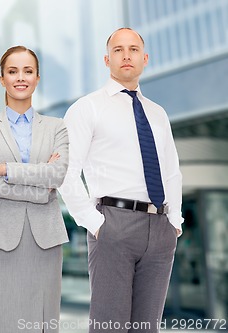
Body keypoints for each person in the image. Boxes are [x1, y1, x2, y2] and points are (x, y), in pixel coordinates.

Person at [60, 28, 183, 332]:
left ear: (145, 58)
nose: (126, 55)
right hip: (114, 223)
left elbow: (171, 171)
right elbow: (65, 170)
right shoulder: (87, 108)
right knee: (109, 326)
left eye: (133, 49)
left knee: (147, 328)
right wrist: (95, 223)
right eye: (118, 50)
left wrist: (175, 221)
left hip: (160, 228)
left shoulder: (158, 113)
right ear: (107, 59)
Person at [0, 46, 69, 333]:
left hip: (45, 241)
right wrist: (42, 189)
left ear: (37, 78)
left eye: (28, 71)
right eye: (12, 71)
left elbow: (58, 175)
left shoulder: (57, 127)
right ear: (1, 79)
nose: (20, 77)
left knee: (41, 324)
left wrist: (5, 169)